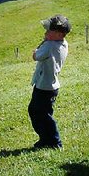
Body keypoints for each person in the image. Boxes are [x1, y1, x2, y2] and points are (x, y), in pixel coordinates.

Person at [29, 14, 71, 150]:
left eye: (49, 31)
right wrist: (47, 40)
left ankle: (54, 141)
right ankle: (45, 140)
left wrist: (40, 45)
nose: (45, 33)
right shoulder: (63, 44)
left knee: (41, 114)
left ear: (59, 34)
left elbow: (36, 56)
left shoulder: (49, 46)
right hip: (51, 86)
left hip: (44, 86)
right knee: (41, 112)